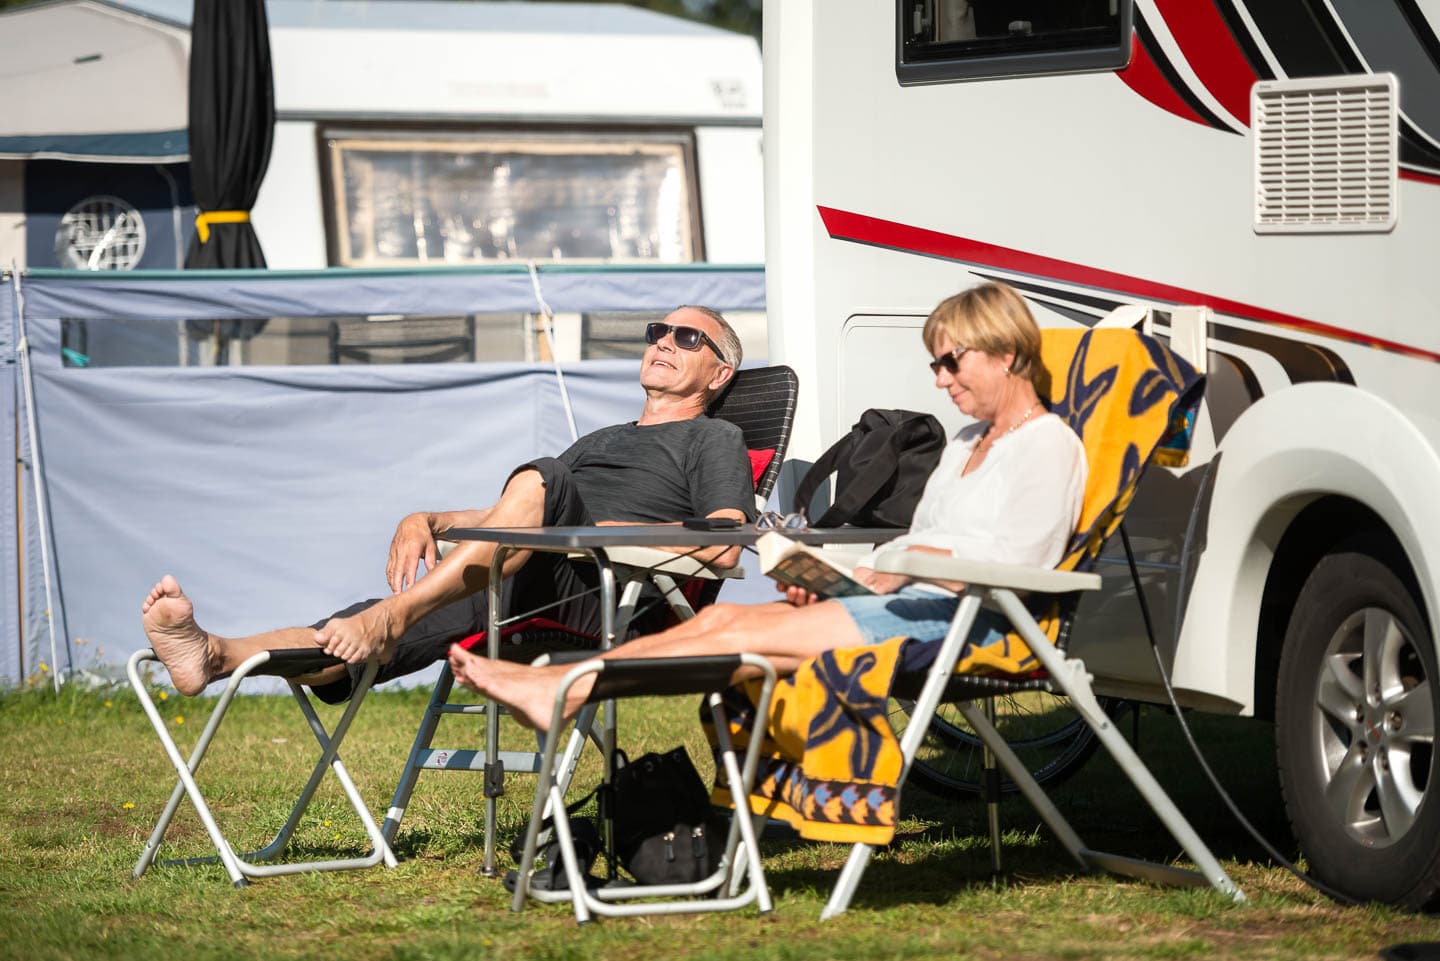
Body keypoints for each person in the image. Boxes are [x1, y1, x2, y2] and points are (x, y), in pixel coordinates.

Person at [447, 281, 1088, 730]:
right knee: (711, 628)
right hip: (905, 602)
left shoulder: (1047, 446)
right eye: (934, 365)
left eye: (952, 362)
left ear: (1006, 353)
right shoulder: (968, 444)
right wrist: (853, 577)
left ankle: (561, 686)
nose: (941, 380)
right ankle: (559, 685)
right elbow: (924, 539)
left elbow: (1021, 565)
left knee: (740, 633)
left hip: (968, 625)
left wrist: (904, 564)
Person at [140, 306, 756, 703]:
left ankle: (397, 613)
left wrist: (611, 530)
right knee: (357, 629)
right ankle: (217, 656)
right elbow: (523, 511)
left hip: (608, 597)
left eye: (687, 337)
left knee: (542, 475)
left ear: (719, 373)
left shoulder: (714, 437)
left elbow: (727, 542)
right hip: (531, 574)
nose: (664, 342)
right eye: (657, 332)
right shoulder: (602, 439)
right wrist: (429, 520)